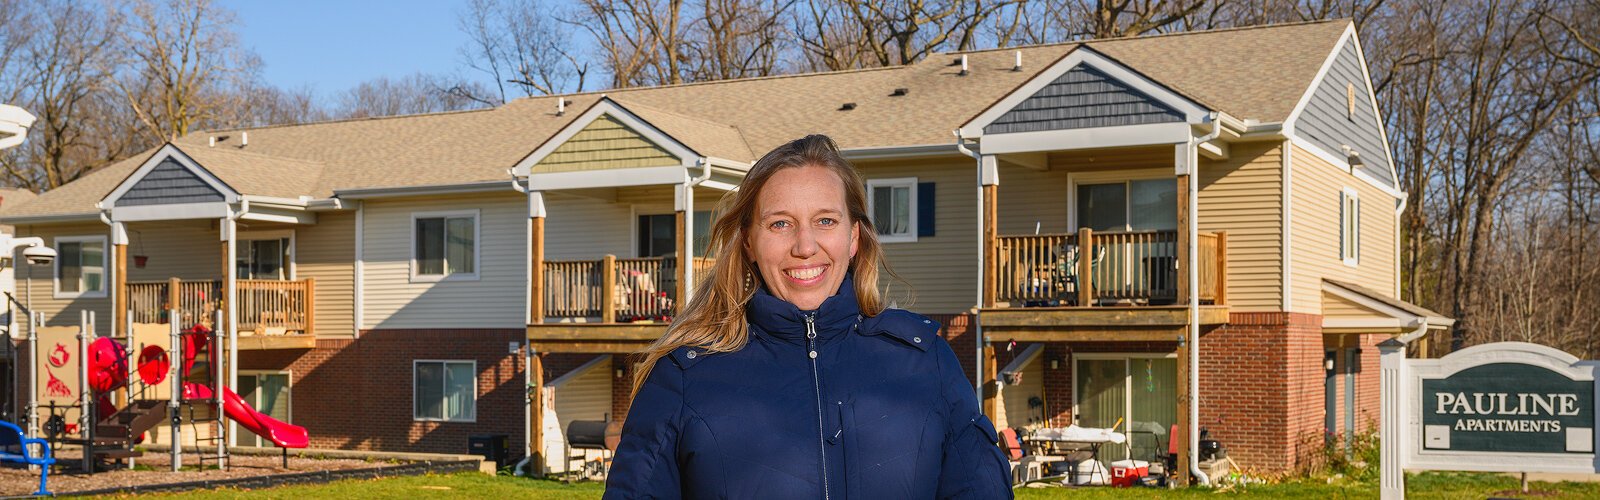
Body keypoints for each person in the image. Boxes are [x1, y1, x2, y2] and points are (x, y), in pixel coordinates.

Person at [604, 135, 1012, 499]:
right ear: (748, 241)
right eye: (780, 223)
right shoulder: (682, 378)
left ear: (853, 237)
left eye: (825, 221)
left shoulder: (925, 362)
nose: (805, 245)